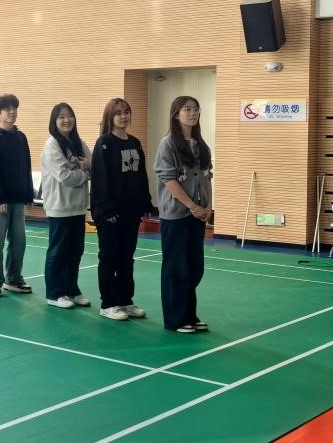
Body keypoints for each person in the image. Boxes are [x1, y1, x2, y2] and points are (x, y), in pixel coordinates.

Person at [91, 98, 154, 321]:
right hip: (110, 214)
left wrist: (146, 202)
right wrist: (106, 210)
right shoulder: (104, 143)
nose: (124, 116)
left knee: (127, 258)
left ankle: (125, 300)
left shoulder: (135, 142)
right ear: (110, 117)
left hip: (131, 212)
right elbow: (100, 179)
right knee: (109, 257)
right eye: (119, 113)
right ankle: (108, 303)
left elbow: (141, 175)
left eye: (127, 112)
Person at [154, 95, 213, 334]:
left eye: (196, 109)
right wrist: (192, 206)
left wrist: (208, 207)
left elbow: (206, 178)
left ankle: (189, 314)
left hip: (197, 215)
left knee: (194, 267)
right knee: (176, 268)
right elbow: (169, 180)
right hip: (176, 215)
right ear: (176, 114)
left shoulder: (200, 145)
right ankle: (175, 319)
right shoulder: (167, 144)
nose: (192, 113)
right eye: (187, 109)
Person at [40, 102, 92, 309]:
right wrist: (86, 173)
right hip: (60, 207)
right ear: (54, 121)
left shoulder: (79, 142)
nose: (66, 120)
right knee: (58, 252)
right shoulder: (52, 145)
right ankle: (54, 293)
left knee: (75, 251)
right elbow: (65, 176)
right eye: (61, 117)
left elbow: (94, 164)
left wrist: (88, 169)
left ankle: (71, 289)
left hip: (78, 206)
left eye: (69, 115)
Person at [0, 94, 34, 298]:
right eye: (7, 109)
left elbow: (26, 166)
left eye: (14, 108)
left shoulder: (21, 137)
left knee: (19, 241)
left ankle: (14, 278)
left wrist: (28, 193)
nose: (12, 112)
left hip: (18, 198)